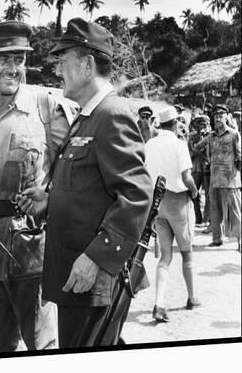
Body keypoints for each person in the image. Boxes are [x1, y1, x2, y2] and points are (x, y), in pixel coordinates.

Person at [18, 17, 152, 347]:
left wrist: (96, 257)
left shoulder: (111, 114)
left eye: (63, 61)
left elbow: (136, 194)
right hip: (76, 275)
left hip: (91, 276)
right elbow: (92, 189)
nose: (58, 70)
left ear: (87, 64)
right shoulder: (89, 116)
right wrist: (50, 200)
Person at [0, 21, 73, 353]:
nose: (13, 68)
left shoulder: (46, 108)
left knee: (42, 346)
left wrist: (50, 199)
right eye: (4, 58)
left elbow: (76, 172)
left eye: (19, 58)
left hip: (31, 252)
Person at [145, 107, 202, 323]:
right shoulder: (179, 145)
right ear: (176, 122)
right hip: (179, 202)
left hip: (158, 202)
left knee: (165, 256)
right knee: (187, 253)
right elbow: (187, 177)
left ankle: (159, 303)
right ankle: (192, 297)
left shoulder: (150, 144)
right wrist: (195, 191)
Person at [194, 104, 242, 250]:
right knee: (215, 212)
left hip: (230, 180)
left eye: (221, 116)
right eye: (216, 117)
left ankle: (241, 242)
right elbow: (196, 148)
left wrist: (236, 171)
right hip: (214, 179)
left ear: (227, 117)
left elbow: (240, 155)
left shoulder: (234, 134)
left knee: (235, 212)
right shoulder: (211, 136)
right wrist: (207, 159)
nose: (218, 119)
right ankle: (217, 239)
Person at [188, 114, 211, 226]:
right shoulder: (192, 137)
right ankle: (198, 218)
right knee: (194, 193)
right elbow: (192, 152)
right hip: (195, 169)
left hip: (206, 169)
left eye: (204, 124)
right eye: (200, 124)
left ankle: (207, 218)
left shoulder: (210, 136)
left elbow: (209, 152)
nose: (202, 127)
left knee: (208, 194)